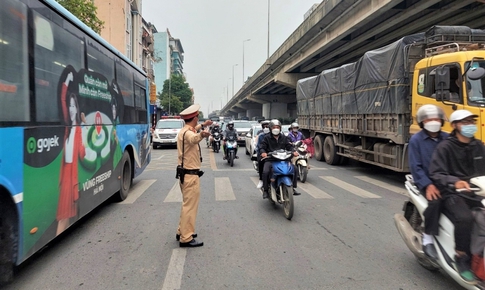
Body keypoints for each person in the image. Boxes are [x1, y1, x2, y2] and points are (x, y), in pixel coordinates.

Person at [429, 109, 485, 284]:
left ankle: (478, 257)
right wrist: (455, 182)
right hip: (453, 193)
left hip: (477, 192)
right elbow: (436, 173)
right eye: (465, 122)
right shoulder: (445, 147)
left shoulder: (478, 146)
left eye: (471, 122)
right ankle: (461, 257)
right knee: (465, 218)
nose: (470, 125)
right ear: (454, 125)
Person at [408, 105, 448, 261]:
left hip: (446, 180)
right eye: (429, 119)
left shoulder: (447, 138)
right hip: (427, 182)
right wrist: (428, 184)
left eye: (436, 119)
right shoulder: (416, 140)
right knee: (436, 202)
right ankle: (428, 238)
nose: (433, 122)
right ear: (422, 122)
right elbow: (415, 167)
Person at [176, 104, 212, 247]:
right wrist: (202, 134)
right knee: (190, 207)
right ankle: (186, 238)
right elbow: (193, 139)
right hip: (190, 176)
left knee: (186, 205)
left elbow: (193, 131)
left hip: (185, 174)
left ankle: (182, 231)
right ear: (195, 118)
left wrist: (203, 125)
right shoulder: (190, 134)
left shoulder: (184, 130)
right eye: (198, 118)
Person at [57, 71, 86, 235]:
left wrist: (85, 126)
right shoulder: (68, 128)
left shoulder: (80, 131)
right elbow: (62, 99)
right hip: (65, 178)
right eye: (70, 106)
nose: (71, 109)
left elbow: (83, 154)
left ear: (78, 108)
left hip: (72, 179)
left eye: (74, 106)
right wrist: (66, 81)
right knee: (63, 218)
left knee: (63, 219)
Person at [259, 119, 300, 199]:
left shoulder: (284, 137)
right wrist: (263, 152)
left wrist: (293, 151)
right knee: (266, 171)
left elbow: (289, 146)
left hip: (284, 159)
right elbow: (262, 147)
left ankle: (293, 187)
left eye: (277, 127)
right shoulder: (266, 138)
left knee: (294, 168)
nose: (276, 129)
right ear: (270, 128)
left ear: (280, 128)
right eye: (274, 127)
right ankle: (266, 190)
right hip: (271, 159)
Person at [255, 120, 271, 189]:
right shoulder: (261, 135)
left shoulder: (279, 135)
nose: (266, 127)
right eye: (264, 126)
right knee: (261, 163)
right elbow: (259, 146)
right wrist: (263, 152)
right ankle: (261, 179)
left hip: (274, 154)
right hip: (264, 154)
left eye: (267, 125)